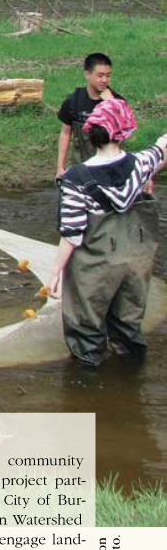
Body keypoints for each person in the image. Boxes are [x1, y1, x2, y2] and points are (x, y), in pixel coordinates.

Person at [49, 98, 166, 368]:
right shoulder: (141, 163)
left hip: (95, 265)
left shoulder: (75, 178)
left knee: (86, 334)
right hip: (136, 261)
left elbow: (72, 232)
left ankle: (89, 392)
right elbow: (162, 147)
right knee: (128, 327)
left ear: (91, 133)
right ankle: (130, 389)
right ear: (125, 132)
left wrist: (55, 272)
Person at [55, 53, 126, 178]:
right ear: (87, 74)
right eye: (100, 75)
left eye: (108, 75)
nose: (105, 80)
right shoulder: (73, 101)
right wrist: (60, 168)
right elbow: (65, 133)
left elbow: (123, 134)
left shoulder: (118, 102)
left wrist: (111, 105)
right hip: (82, 169)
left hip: (110, 171)